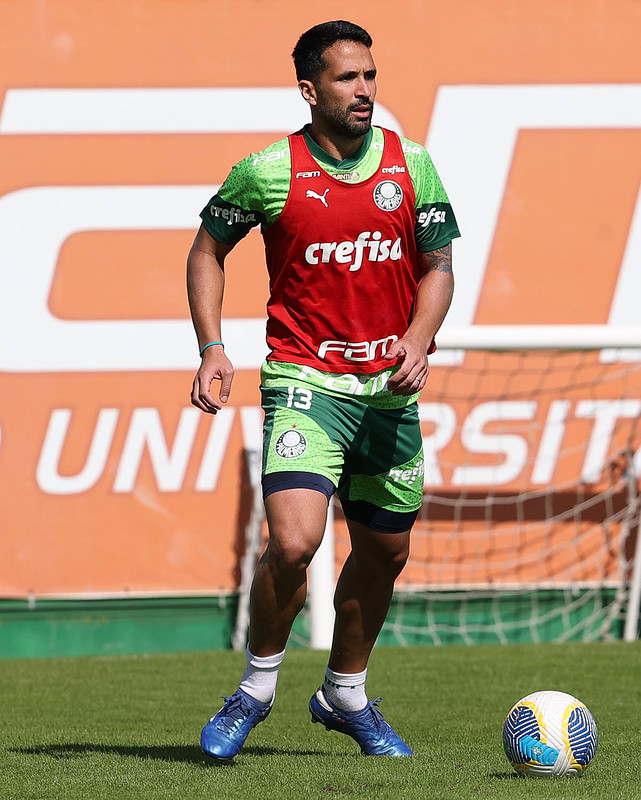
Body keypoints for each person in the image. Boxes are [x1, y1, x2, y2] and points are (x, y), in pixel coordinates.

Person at [187, 19, 459, 759]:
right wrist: (213, 346)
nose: (365, 90)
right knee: (296, 541)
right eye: (347, 79)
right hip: (307, 381)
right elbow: (208, 250)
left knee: (387, 552)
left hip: (388, 396)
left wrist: (416, 337)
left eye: (370, 75)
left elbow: (438, 266)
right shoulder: (269, 169)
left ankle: (345, 693)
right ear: (310, 90)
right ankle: (254, 690)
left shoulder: (412, 167)